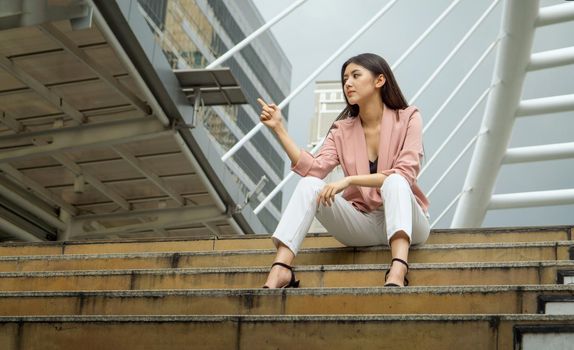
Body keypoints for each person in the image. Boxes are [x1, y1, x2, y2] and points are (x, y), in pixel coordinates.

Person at [258, 53, 430, 289]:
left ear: (379, 80)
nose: (347, 83)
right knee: (310, 184)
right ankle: (281, 268)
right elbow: (314, 169)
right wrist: (279, 129)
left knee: (396, 181)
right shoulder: (341, 130)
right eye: (345, 78)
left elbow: (406, 173)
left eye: (356, 75)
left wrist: (348, 180)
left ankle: (399, 267)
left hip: (408, 222)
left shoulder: (409, 118)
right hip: (362, 225)